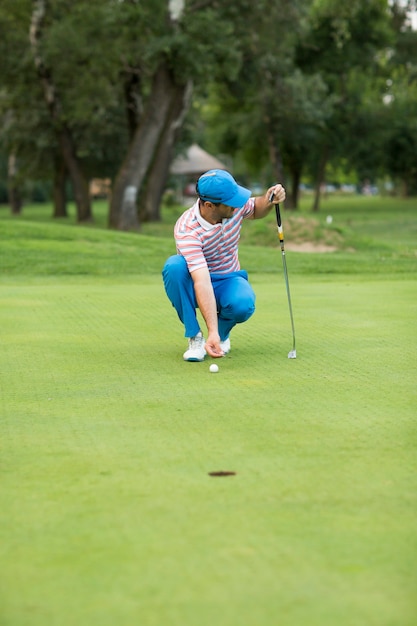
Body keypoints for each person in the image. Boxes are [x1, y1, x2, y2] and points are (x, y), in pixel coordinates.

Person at [162, 169, 286, 361]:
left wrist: (270, 198)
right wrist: (209, 329)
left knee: (243, 304)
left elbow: (256, 208)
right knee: (174, 267)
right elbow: (201, 281)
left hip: (227, 277)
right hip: (196, 281)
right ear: (210, 205)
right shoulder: (187, 229)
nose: (238, 206)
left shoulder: (233, 205)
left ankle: (220, 334)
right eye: (232, 203)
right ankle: (196, 337)